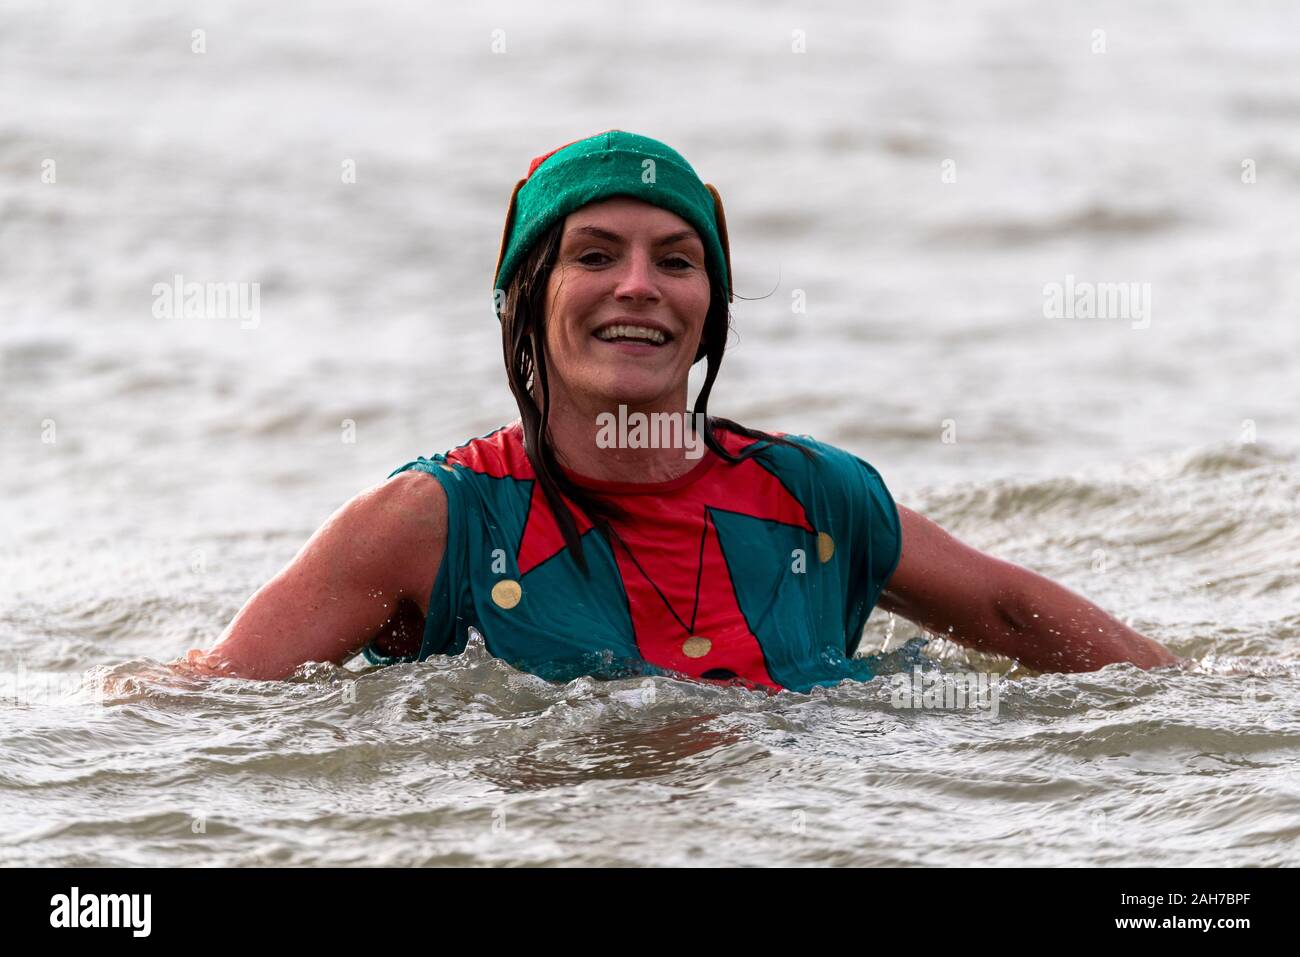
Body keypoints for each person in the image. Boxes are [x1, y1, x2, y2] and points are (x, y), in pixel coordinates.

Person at [177, 129, 1179, 692]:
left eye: (677, 260)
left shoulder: (815, 495)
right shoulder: (426, 523)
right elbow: (208, 699)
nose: (639, 287)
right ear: (525, 296)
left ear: (710, 307)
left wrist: (1221, 708)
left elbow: (1010, 613)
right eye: (594, 255)